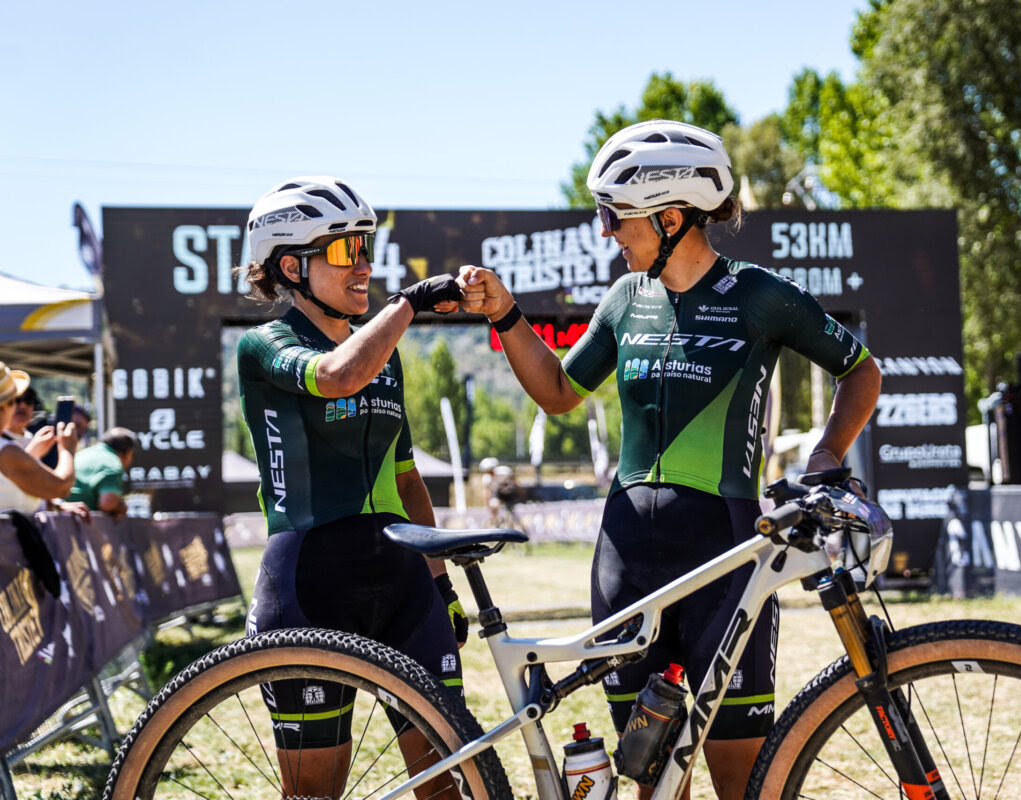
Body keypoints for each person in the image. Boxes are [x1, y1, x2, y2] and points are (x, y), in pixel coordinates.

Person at [458, 120, 882, 800]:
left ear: (672, 216)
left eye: (613, 215)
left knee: (744, 778)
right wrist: (507, 313)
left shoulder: (759, 294)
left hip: (727, 550)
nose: (605, 230)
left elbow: (860, 371)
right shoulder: (625, 299)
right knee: (652, 775)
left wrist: (828, 452)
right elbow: (561, 392)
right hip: (626, 556)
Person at [235, 175, 467, 798]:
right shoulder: (264, 345)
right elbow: (336, 376)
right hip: (309, 579)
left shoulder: (383, 354)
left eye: (367, 247)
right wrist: (410, 304)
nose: (364, 265)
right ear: (291, 265)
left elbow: (406, 474)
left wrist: (441, 583)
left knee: (449, 785)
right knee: (315, 795)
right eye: (344, 251)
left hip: (404, 580)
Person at [0, 363, 80, 515]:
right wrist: (67, 449)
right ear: (5, 407)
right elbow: (61, 487)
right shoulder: (6, 450)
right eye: (16, 399)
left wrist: (30, 456)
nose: (22, 405)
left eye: (28, 399)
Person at [66, 427, 137, 517]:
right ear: (127, 452)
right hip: (75, 523)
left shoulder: (81, 454)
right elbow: (107, 504)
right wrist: (120, 507)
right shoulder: (113, 464)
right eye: (133, 456)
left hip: (56, 516)